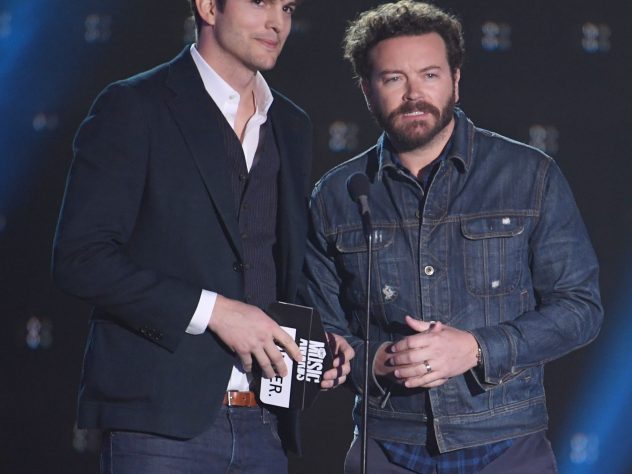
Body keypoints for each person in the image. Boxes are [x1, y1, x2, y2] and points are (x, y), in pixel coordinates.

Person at [52, 0, 353, 472]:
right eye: (260, 2)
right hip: (159, 424)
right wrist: (214, 311)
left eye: (288, 7)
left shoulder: (291, 123)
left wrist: (319, 340)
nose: (277, 21)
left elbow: (275, 262)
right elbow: (81, 259)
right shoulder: (135, 105)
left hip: (266, 421)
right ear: (209, 6)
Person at [304, 1, 603, 473]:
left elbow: (581, 309)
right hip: (386, 446)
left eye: (429, 75)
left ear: (455, 80)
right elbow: (322, 333)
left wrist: (477, 348)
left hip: (507, 443)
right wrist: (374, 360)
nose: (413, 95)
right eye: (393, 78)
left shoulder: (529, 175)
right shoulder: (336, 196)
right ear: (367, 89)